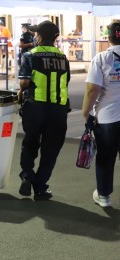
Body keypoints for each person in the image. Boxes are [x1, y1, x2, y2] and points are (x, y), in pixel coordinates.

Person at [17, 20, 70, 200]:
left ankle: (26, 175)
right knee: (51, 150)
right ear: (55, 38)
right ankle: (40, 187)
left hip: (35, 108)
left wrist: (20, 93)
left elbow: (24, 82)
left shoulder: (30, 55)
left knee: (30, 144)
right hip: (58, 110)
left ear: (39, 36)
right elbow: (65, 81)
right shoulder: (63, 57)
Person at [81, 22, 120, 208]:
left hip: (108, 118)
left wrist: (85, 113)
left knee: (105, 157)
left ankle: (104, 196)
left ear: (108, 37)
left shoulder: (102, 58)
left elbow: (91, 90)